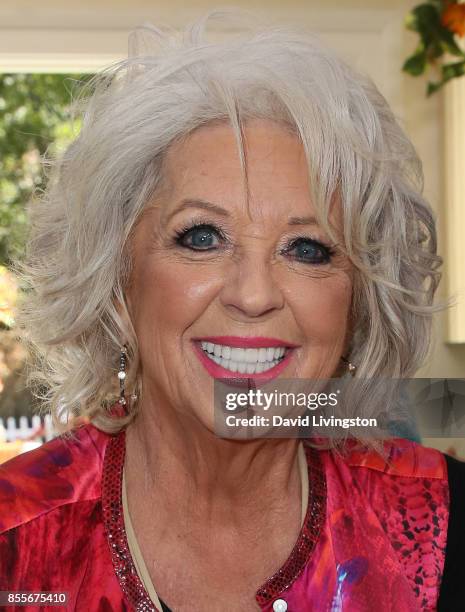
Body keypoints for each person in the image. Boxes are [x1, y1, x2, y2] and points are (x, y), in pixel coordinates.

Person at [0, 11, 463, 612]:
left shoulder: (438, 526)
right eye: (201, 237)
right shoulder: (17, 534)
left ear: (357, 304)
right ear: (117, 282)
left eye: (307, 248)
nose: (252, 294)